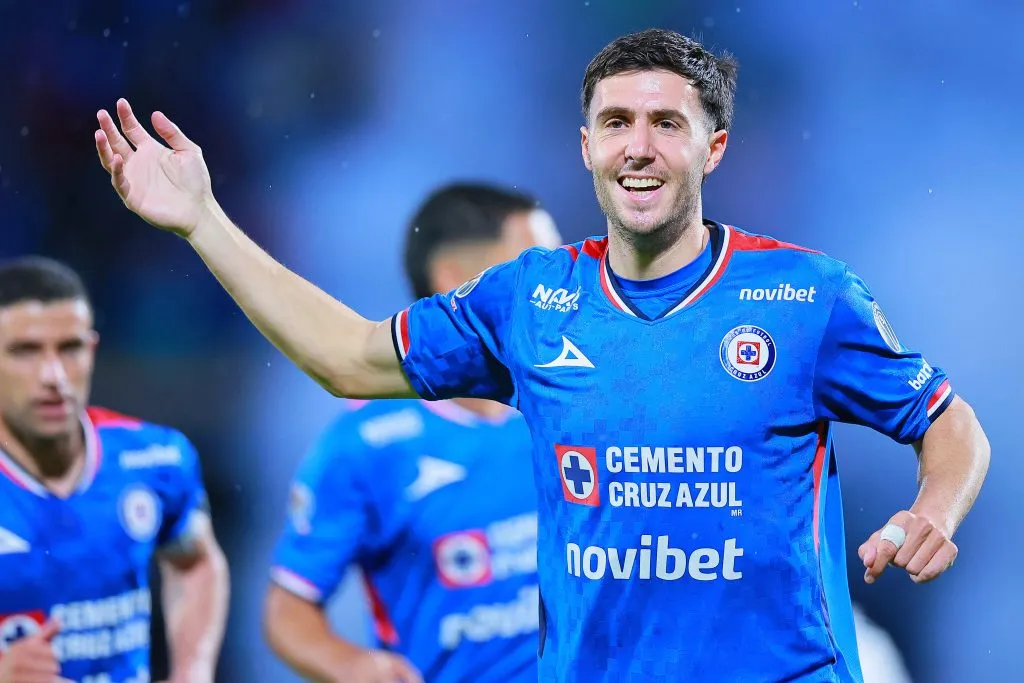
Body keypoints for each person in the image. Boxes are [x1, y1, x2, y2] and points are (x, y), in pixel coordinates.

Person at [93, 27, 990, 683]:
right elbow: (348, 357)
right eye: (618, 121)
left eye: (669, 124)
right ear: (588, 146)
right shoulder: (529, 298)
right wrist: (203, 222)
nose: (640, 146)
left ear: (713, 148)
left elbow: (948, 420)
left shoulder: (807, 295)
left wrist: (935, 509)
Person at [262, 184, 559, 683]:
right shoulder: (369, 445)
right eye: (536, 268)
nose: (559, 287)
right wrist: (352, 665)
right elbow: (288, 607)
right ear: (462, 282)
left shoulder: (569, 407)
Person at [0, 257, 229, 683]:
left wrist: (192, 671)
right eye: (25, 352)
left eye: (69, 348)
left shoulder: (155, 457)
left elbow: (196, 563)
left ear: (91, 350)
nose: (54, 376)